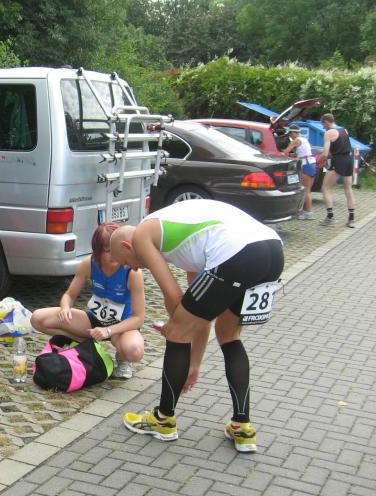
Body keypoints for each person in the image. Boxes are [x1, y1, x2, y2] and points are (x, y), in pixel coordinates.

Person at [109, 199, 284, 453]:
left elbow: (174, 300)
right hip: (271, 251)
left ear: (128, 246)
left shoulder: (143, 234)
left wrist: (174, 327)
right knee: (229, 335)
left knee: (176, 331)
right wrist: (194, 364)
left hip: (236, 253)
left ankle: (163, 420)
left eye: (125, 261)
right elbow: (201, 314)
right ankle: (242, 427)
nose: (131, 268)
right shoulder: (190, 248)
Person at [30, 223, 145, 379]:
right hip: (94, 321)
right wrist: (65, 308)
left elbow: (138, 318)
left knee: (134, 351)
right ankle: (87, 345)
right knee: (38, 318)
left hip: (122, 326)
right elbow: (69, 295)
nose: (114, 255)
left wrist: (109, 330)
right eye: (108, 251)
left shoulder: (132, 272)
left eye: (116, 250)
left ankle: (123, 358)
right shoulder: (89, 263)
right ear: (97, 251)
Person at [316, 113, 356, 228]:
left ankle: (330, 217)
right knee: (348, 189)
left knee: (325, 187)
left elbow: (325, 154)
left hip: (338, 160)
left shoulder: (329, 133)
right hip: (349, 160)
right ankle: (351, 219)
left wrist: (317, 162)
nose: (323, 127)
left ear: (326, 122)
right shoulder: (344, 130)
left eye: (323, 124)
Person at [282, 124, 316, 219]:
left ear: (294, 132)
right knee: (308, 190)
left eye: (290, 133)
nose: (290, 135)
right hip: (311, 164)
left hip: (306, 165)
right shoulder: (304, 139)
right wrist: (294, 155)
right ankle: (306, 212)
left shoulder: (296, 141)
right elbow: (302, 153)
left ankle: (307, 213)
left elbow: (285, 152)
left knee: (305, 190)